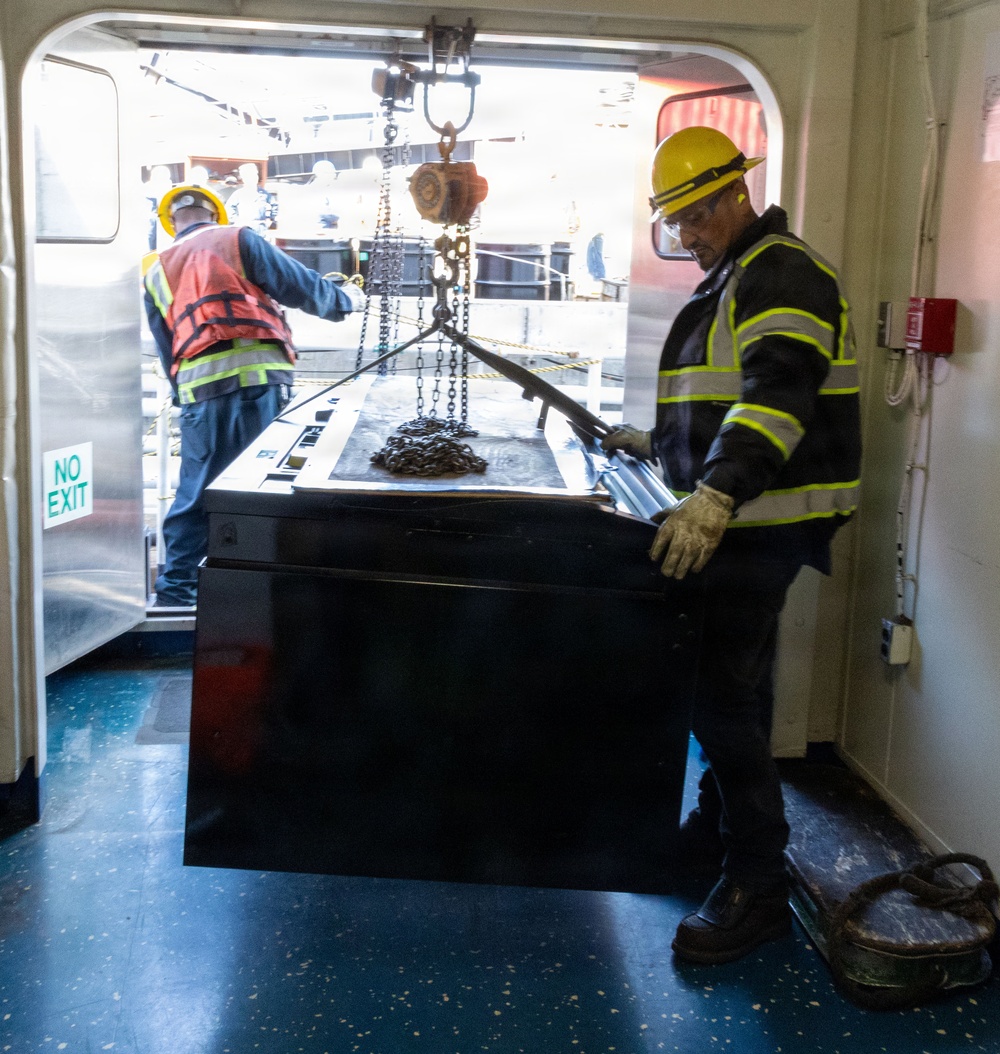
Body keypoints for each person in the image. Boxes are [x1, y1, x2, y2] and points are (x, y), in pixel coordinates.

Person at [601, 126, 861, 964]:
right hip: (746, 512)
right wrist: (659, 445)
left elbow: (776, 396)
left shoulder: (783, 272)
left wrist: (712, 494)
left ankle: (757, 884)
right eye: (675, 221)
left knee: (723, 701)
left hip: (761, 520)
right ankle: (716, 837)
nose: (686, 233)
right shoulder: (738, 277)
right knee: (724, 691)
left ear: (735, 194)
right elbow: (721, 399)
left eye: (697, 214)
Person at [143, 184, 364, 608]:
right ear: (214, 213)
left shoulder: (156, 268)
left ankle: (175, 592)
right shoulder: (236, 239)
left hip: (198, 393)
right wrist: (342, 302)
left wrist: (186, 397)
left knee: (195, 491)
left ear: (171, 223)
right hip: (257, 384)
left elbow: (165, 341)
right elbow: (296, 285)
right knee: (261, 489)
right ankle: (261, 595)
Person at [225, 163, 275, 234]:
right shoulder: (238, 194)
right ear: (244, 179)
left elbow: (274, 205)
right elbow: (229, 208)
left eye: (255, 176)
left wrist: (270, 219)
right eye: (248, 177)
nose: (253, 178)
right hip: (244, 227)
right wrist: (236, 221)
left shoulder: (264, 194)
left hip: (260, 228)